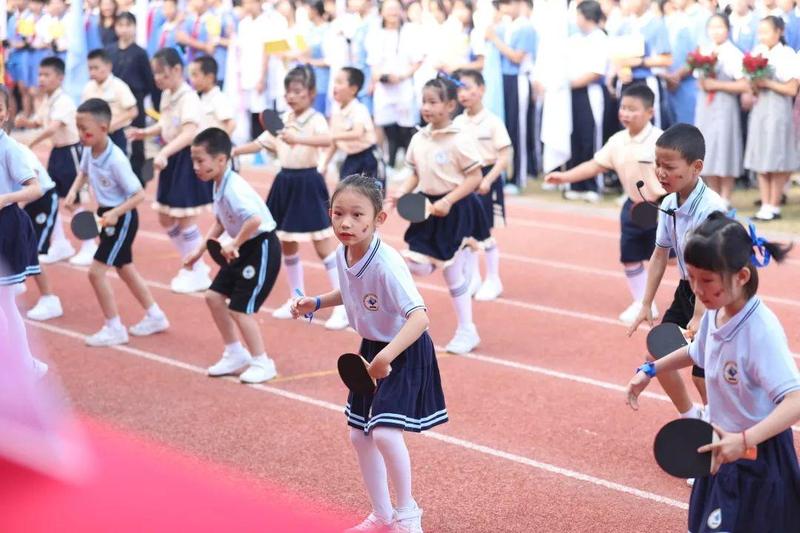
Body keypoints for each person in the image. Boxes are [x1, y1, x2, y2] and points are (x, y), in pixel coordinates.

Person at [625, 212, 800, 532]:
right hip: (719, 449)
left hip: (757, 457)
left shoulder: (760, 331)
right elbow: (697, 351)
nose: (697, 289)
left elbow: (795, 400)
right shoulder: (715, 314)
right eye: (691, 278)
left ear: (742, 276)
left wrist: (744, 439)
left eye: (706, 280)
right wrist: (651, 369)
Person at [291, 174, 445, 533]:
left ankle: (408, 516)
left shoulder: (386, 263)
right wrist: (316, 302)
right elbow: (350, 291)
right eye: (339, 213)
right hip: (373, 349)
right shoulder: (345, 252)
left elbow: (420, 318)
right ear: (329, 213)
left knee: (386, 434)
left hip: (402, 349)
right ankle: (382, 515)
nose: (346, 222)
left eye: (358, 215)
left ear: (379, 219)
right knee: (358, 435)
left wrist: (386, 357)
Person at [233, 65, 349, 330]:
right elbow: (262, 143)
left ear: (310, 93)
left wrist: (298, 138)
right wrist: (234, 152)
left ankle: (342, 305)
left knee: (322, 246)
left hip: (308, 183)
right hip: (284, 183)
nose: (292, 96)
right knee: (287, 245)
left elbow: (325, 141)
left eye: (297, 91)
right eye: (288, 92)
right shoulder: (282, 118)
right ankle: (297, 299)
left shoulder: (316, 119)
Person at [627, 123, 728, 419]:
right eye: (658, 164)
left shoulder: (710, 208)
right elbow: (660, 254)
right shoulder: (669, 202)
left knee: (703, 375)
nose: (660, 173)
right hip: (688, 290)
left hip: (713, 294)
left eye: (669, 167)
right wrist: (646, 302)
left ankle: (723, 429)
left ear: (696, 167)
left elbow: (709, 266)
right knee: (658, 355)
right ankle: (692, 418)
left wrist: (699, 316)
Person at [546, 84, 664, 324]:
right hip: (632, 207)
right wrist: (564, 177)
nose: (626, 113)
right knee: (630, 257)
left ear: (650, 112)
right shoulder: (617, 140)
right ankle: (644, 303)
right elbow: (595, 165)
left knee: (674, 260)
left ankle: (695, 302)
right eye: (623, 108)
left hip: (663, 208)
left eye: (633, 109)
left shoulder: (661, 141)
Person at [390, 76, 489, 354]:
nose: (427, 107)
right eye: (424, 101)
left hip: (457, 209)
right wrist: (400, 191)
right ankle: (402, 319)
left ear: (450, 105)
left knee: (452, 274)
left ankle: (467, 330)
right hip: (427, 209)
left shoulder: (460, 139)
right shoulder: (418, 138)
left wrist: (448, 200)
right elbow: (414, 173)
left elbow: (474, 177)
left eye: (433, 102)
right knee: (415, 264)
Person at [64, 99, 170, 346]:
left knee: (96, 273)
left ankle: (114, 327)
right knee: (125, 269)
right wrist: (73, 191)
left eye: (85, 129)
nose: (81, 134)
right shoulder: (90, 149)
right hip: (105, 214)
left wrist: (115, 213)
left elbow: (139, 195)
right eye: (77, 128)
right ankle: (156, 315)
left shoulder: (116, 159)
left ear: (104, 128)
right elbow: (84, 172)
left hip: (121, 218)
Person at [184, 128, 282, 384]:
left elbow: (254, 219)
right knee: (214, 296)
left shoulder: (233, 188)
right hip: (241, 246)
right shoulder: (220, 183)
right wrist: (199, 250)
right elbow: (221, 220)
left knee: (240, 308)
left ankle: (262, 362)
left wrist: (234, 243)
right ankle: (235, 353)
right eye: (193, 160)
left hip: (260, 246)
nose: (195, 166)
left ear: (221, 159)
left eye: (200, 160)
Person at [127, 47, 214, 294]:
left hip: (186, 160)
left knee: (185, 218)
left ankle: (196, 269)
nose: (157, 79)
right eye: (154, 74)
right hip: (171, 158)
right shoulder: (168, 94)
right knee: (165, 217)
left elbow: (188, 132)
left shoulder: (188, 98)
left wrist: (164, 152)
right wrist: (146, 132)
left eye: (161, 74)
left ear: (177, 70)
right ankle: (192, 263)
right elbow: (166, 124)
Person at [15, 56, 95, 267]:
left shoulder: (64, 101)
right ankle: (59, 242)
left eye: (46, 75)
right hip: (57, 154)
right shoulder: (48, 100)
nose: (41, 79)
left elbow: (52, 127)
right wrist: (26, 122)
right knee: (50, 197)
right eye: (40, 74)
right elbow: (40, 122)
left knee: (74, 201)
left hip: (70, 154)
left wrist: (30, 141)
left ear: (59, 78)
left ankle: (90, 244)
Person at [0, 84, 48, 378]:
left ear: (5, 112)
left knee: (6, 303)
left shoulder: (9, 148)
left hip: (6, 227)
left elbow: (35, 189)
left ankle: (27, 365)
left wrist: (5, 198)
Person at [453, 68, 512, 302]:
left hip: (486, 178)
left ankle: (493, 279)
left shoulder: (493, 122)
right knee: (466, 232)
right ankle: (473, 277)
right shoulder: (457, 121)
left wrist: (488, 180)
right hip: (465, 179)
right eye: (459, 89)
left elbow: (505, 156)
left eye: (467, 87)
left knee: (484, 231)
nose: (463, 94)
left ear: (482, 89)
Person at [744, 16, 800, 221]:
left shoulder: (787, 55)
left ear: (779, 32)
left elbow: (792, 88)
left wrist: (767, 83)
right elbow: (752, 87)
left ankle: (774, 205)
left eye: (767, 31)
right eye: (760, 32)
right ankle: (764, 203)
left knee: (775, 157)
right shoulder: (758, 52)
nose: (763, 36)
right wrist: (755, 83)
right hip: (760, 110)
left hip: (778, 111)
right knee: (760, 156)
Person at [694, 13, 748, 208]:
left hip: (725, 105)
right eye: (712, 27)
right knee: (706, 147)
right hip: (705, 106)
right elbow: (699, 79)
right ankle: (713, 195)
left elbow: (744, 85)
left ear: (728, 29)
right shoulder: (703, 51)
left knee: (725, 147)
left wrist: (715, 84)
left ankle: (726, 196)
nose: (716, 31)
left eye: (720, 27)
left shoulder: (733, 53)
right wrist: (705, 83)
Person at [485, 0, 538, 194]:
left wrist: (495, 40)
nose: (505, 8)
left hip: (518, 79)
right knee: (503, 129)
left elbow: (517, 57)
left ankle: (518, 176)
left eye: (509, 3)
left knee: (518, 130)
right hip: (502, 81)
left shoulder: (526, 28)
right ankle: (504, 175)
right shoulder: (507, 26)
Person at [107, 11, 156, 183]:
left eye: (128, 25)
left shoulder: (140, 53)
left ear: (134, 28)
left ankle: (139, 179)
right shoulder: (110, 50)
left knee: (137, 141)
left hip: (136, 101)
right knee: (115, 140)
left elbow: (149, 80)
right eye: (120, 25)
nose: (124, 29)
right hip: (115, 103)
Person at [323, 67, 382, 189]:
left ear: (353, 89)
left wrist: (332, 135)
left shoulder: (359, 109)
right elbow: (334, 142)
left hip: (368, 157)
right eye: (334, 82)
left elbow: (357, 132)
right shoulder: (336, 111)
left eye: (339, 82)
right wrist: (323, 164)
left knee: (370, 194)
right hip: (351, 157)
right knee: (344, 189)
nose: (335, 86)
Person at [81, 48, 138, 155]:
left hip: (116, 134)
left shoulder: (119, 86)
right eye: (90, 68)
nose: (92, 72)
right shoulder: (88, 88)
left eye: (96, 68)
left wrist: (111, 125)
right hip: (94, 134)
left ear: (108, 66)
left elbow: (133, 111)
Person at [188, 55, 235, 134]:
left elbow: (231, 125)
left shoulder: (219, 98)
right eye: (191, 75)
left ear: (210, 77)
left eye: (195, 75)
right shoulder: (197, 97)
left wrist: (219, 144)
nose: (191, 80)